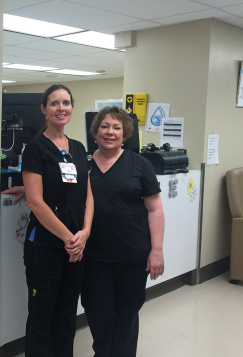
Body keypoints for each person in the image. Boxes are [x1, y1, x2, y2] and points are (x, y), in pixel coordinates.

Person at [12, 84, 94, 357]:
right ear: (44, 109)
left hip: (76, 247)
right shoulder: (35, 150)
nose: (62, 108)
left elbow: (88, 195)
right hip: (46, 247)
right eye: (55, 103)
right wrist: (69, 238)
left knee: (67, 313)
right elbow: (36, 202)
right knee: (41, 315)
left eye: (66, 103)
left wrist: (85, 232)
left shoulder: (80, 148)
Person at [82, 106, 165, 357]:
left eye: (116, 128)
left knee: (127, 312)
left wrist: (157, 250)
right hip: (94, 255)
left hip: (132, 253)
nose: (110, 132)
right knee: (98, 312)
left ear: (125, 133)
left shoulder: (140, 164)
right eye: (105, 126)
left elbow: (155, 210)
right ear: (95, 131)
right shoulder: (81, 163)